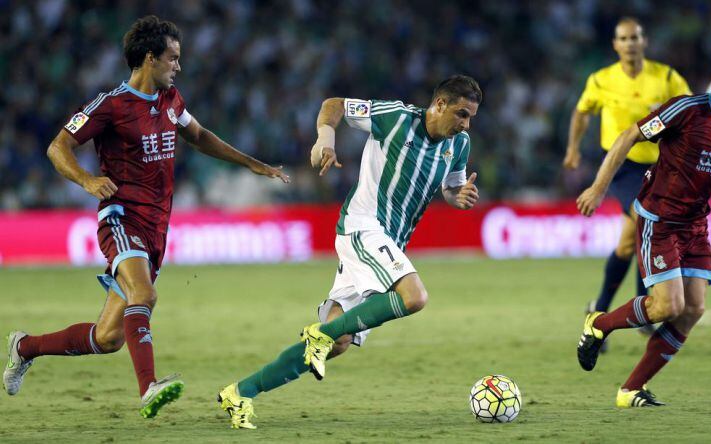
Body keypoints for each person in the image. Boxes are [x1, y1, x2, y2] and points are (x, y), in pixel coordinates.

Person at [3, 16, 289, 418]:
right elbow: (58, 147)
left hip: (157, 231)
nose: (178, 66)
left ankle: (24, 346)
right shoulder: (111, 105)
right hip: (121, 220)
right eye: (173, 59)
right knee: (145, 296)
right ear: (149, 58)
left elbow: (200, 136)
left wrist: (252, 164)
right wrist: (87, 181)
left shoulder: (172, 101)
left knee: (107, 338)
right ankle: (148, 387)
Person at [216, 75, 482, 429]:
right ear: (439, 105)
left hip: (389, 241)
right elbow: (334, 105)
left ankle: (240, 393)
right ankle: (318, 335)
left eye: (470, 118)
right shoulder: (396, 117)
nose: (465, 124)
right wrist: (325, 139)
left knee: (337, 340)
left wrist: (459, 198)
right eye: (461, 114)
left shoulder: (458, 145)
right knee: (414, 297)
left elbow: (451, 189)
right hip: (363, 226)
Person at [575, 47, 711, 408]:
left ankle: (630, 391)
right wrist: (599, 187)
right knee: (667, 306)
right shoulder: (687, 110)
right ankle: (599, 323)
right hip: (658, 219)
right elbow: (629, 134)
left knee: (693, 310)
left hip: (695, 224)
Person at [564, 17, 691, 340]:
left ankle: (599, 310)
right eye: (624, 38)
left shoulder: (665, 77)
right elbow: (582, 112)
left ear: (644, 41)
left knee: (626, 243)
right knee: (642, 216)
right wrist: (574, 148)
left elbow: (691, 111)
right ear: (615, 45)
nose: (631, 43)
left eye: (635, 37)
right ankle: (643, 308)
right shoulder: (602, 79)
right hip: (622, 166)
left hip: (661, 166)